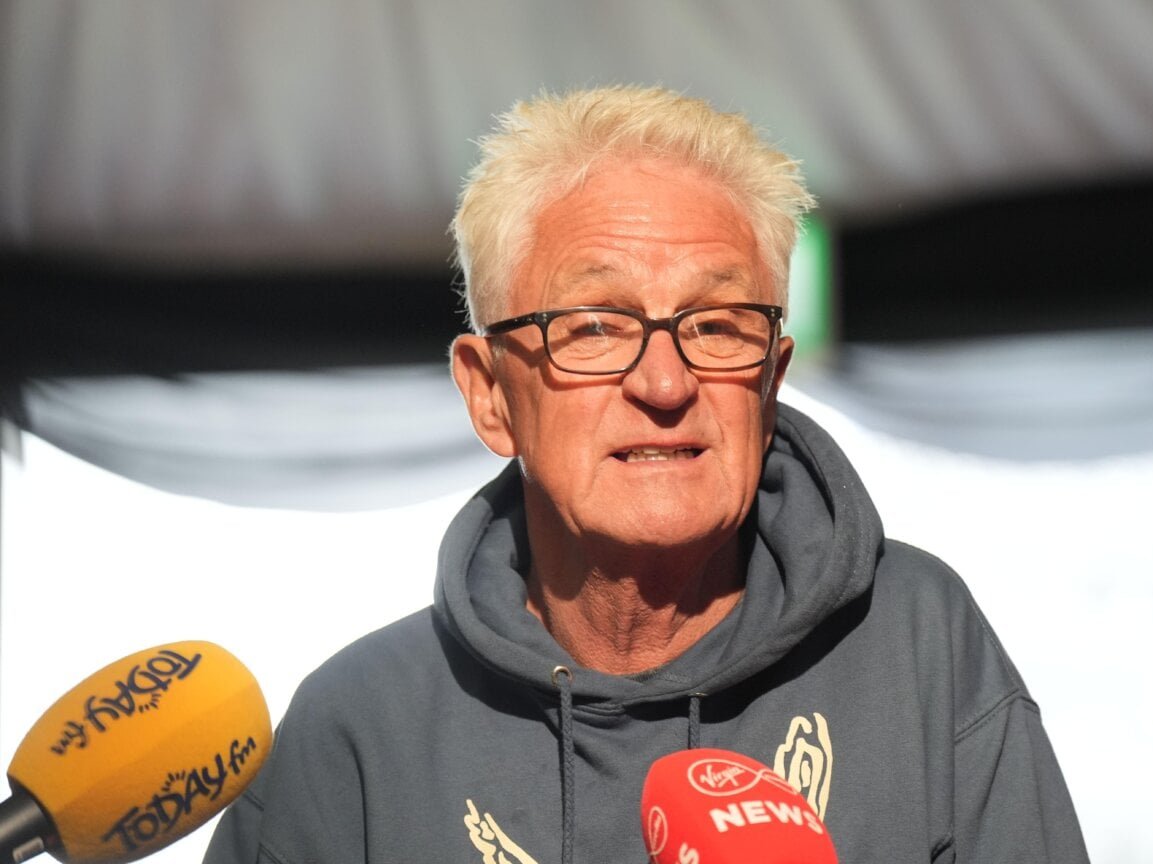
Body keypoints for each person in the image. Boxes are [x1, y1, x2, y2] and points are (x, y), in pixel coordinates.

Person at [204, 86, 1089, 864]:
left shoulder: (918, 649)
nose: (665, 384)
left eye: (717, 325)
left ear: (770, 383)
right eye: (594, 327)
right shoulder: (357, 733)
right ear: (491, 396)